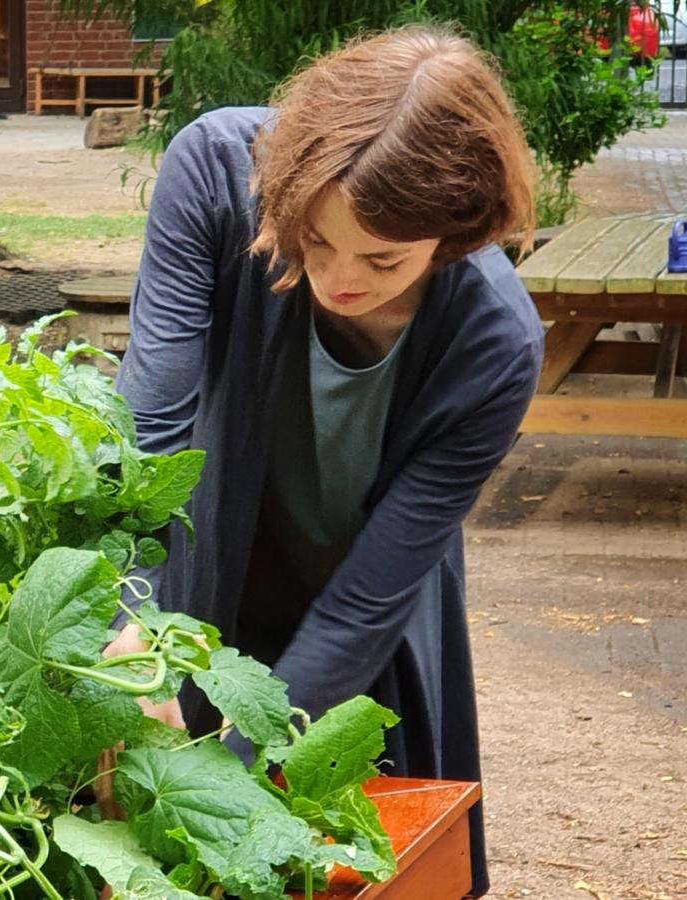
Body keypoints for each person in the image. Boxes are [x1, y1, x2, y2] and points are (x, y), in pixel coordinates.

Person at [108, 26, 542, 897]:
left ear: (457, 232)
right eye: (314, 239)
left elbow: (369, 598)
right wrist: (133, 626)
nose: (340, 277)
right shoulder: (220, 169)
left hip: (353, 622)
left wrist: (231, 776)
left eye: (383, 259)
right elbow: (149, 425)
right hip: (200, 565)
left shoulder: (497, 343)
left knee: (352, 852)